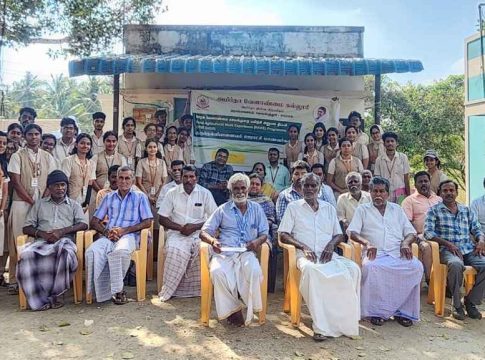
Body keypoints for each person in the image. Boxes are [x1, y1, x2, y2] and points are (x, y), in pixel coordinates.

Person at [278, 173, 361, 340]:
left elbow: (339, 235)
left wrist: (331, 245)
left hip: (327, 255)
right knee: (312, 272)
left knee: (354, 269)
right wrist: (302, 246)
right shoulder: (293, 207)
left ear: (319, 188)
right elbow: (283, 234)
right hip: (303, 255)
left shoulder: (328, 208)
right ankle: (321, 326)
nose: (309, 189)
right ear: (301, 188)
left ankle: (345, 322)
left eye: (313, 186)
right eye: (306, 186)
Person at [348, 176, 423, 327]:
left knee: (416, 267)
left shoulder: (397, 209)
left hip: (397, 252)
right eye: (375, 191)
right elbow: (352, 232)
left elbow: (411, 232)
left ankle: (403, 312)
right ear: (370, 192)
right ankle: (375, 312)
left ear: (387, 194)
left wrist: (406, 243)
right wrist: (367, 243)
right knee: (371, 267)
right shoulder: (363, 209)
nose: (378, 195)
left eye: (382, 191)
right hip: (375, 253)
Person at [200, 173, 269, 326]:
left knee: (254, 271)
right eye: (236, 188)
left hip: (246, 252)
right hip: (224, 252)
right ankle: (233, 309)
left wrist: (256, 242)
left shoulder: (257, 209)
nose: (240, 191)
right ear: (230, 190)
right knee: (216, 272)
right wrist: (213, 241)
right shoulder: (222, 209)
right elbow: (204, 232)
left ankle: (247, 305)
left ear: (248, 189)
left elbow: (265, 233)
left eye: (243, 188)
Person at [16, 170, 88, 310]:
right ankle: (38, 299)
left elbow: (83, 224)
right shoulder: (40, 204)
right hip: (42, 242)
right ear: (49, 187)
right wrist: (42, 234)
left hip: (64, 241)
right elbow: (27, 227)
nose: (60, 188)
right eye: (56, 185)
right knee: (26, 255)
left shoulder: (73, 205)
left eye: (63, 185)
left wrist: (62, 231)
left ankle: (55, 295)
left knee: (64, 254)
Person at [85, 166, 153, 304]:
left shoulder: (140, 197)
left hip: (130, 236)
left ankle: (118, 290)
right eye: (120, 178)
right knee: (92, 251)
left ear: (133, 180)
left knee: (120, 252)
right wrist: (106, 232)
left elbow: (147, 221)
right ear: (116, 179)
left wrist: (124, 231)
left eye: (127, 178)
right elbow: (94, 221)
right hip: (110, 235)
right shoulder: (109, 197)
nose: (123, 181)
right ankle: (101, 292)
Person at [424, 180, 485, 320]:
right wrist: (448, 244)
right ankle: (457, 305)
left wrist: (481, 241)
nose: (449, 193)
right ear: (440, 193)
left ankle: (471, 301)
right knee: (456, 265)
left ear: (457, 193)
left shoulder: (466, 210)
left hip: (468, 249)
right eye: (445, 191)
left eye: (451, 190)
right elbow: (428, 233)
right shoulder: (434, 210)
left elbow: (476, 229)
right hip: (447, 250)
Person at [7, 124, 57, 294]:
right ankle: (15, 280)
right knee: (19, 241)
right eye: (30, 134)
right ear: (25, 137)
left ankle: (35, 279)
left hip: (42, 203)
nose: (33, 137)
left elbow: (51, 180)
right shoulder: (17, 156)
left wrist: (42, 201)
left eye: (37, 134)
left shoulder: (47, 156)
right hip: (21, 203)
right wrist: (31, 201)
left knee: (38, 241)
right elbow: (15, 181)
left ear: (40, 136)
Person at [158, 164, 217, 301]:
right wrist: (181, 228)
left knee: (205, 249)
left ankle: (199, 289)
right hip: (177, 233)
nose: (188, 180)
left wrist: (195, 227)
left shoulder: (205, 193)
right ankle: (170, 290)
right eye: (185, 176)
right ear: (181, 177)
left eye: (191, 177)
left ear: (196, 178)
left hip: (199, 234)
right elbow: (162, 218)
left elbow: (214, 218)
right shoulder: (171, 193)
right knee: (174, 250)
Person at [401, 171, 441, 285]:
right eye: (420, 182)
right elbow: (407, 223)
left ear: (429, 182)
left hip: (441, 235)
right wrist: (418, 235)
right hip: (420, 236)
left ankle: (449, 281)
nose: (423, 184)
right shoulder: (409, 201)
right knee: (427, 247)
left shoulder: (438, 199)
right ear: (415, 184)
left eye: (426, 181)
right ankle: (431, 281)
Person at [135, 138, 168, 228]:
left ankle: (157, 241)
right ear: (146, 149)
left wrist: (157, 195)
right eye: (150, 147)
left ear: (157, 149)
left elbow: (164, 181)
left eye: (154, 147)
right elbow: (138, 182)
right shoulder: (141, 162)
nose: (152, 149)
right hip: (144, 195)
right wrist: (148, 196)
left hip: (159, 196)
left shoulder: (162, 162)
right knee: (145, 221)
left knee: (157, 222)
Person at [61, 133, 96, 217]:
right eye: (82, 143)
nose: (85, 146)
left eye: (88, 144)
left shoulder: (91, 163)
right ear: (76, 145)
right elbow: (64, 182)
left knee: (83, 226)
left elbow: (90, 183)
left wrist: (87, 202)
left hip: (84, 201)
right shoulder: (68, 161)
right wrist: (67, 201)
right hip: (71, 199)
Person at [374, 131, 410, 203]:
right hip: (385, 192)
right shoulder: (379, 159)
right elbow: (377, 179)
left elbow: (406, 177)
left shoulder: (403, 157)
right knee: (386, 212)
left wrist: (408, 195)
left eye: (392, 141)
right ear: (384, 144)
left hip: (400, 192)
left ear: (396, 143)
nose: (390, 143)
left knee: (400, 212)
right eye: (387, 141)